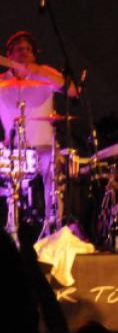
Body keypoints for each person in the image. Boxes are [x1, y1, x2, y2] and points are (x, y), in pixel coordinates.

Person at [0, 31, 78, 234]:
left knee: (52, 168)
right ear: (9, 55)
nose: (24, 52)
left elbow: (72, 91)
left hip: (44, 146)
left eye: (28, 49)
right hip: (13, 150)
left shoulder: (45, 74)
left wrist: (39, 70)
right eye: (19, 49)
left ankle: (54, 225)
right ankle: (9, 228)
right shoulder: (2, 82)